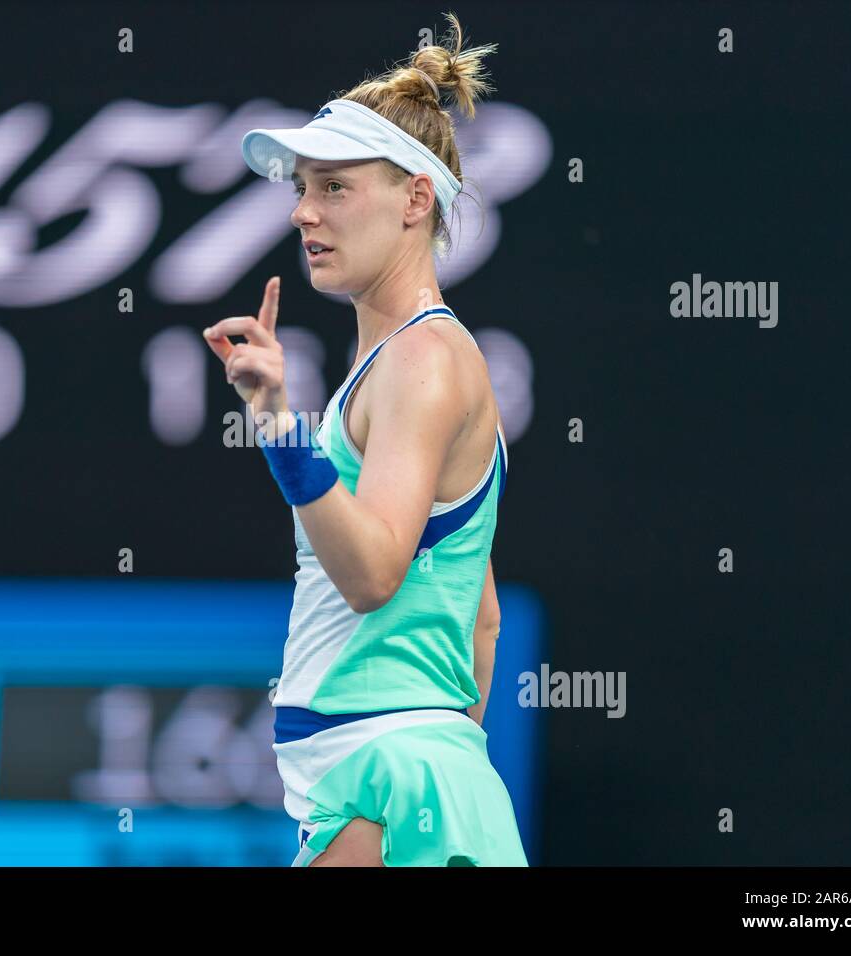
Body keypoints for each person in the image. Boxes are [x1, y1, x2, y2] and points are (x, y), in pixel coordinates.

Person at [203, 13, 526, 867]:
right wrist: (447, 767)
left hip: (387, 783)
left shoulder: (422, 358)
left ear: (416, 199)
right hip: (407, 785)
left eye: (335, 187)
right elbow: (481, 616)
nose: (304, 211)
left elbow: (376, 573)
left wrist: (279, 423)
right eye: (302, 188)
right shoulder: (412, 358)